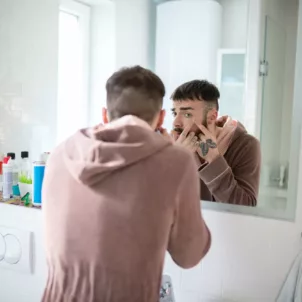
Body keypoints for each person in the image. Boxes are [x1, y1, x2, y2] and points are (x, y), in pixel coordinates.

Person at [42, 66, 211, 302]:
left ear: (104, 114)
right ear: (161, 117)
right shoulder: (176, 162)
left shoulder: (60, 153)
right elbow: (189, 255)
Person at [170, 79, 261, 207]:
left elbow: (245, 208)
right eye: (174, 113)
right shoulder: (172, 144)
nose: (175, 122)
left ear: (212, 116)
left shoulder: (245, 145)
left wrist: (214, 160)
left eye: (187, 114)